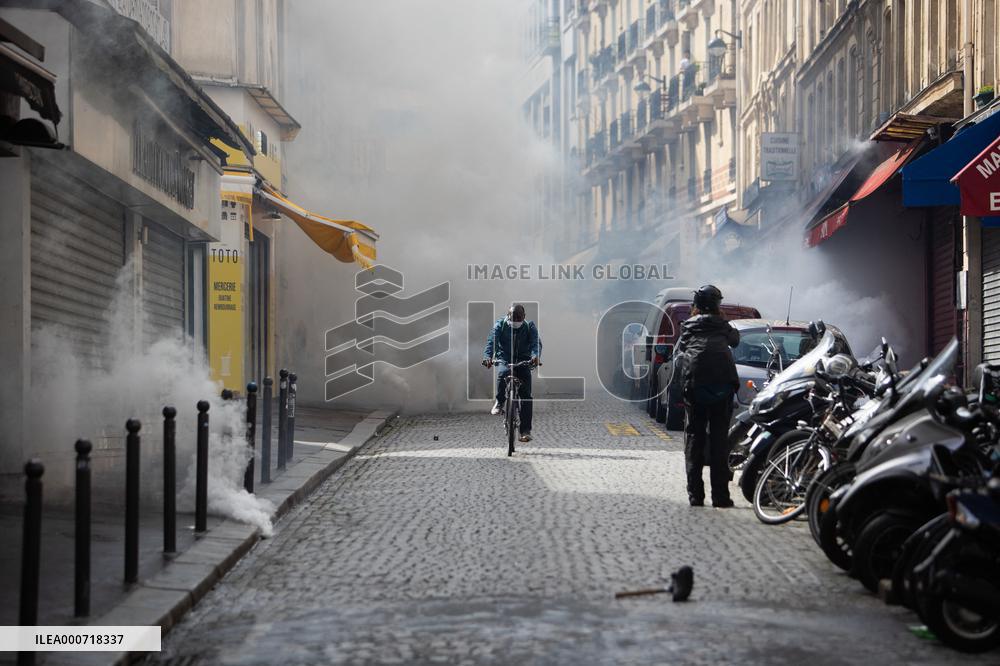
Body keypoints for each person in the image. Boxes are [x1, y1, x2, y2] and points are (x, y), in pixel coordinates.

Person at [672, 285, 740, 508]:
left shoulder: (688, 326)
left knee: (694, 439)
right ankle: (720, 497)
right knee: (720, 441)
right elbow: (736, 340)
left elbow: (682, 347)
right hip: (722, 388)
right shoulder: (722, 325)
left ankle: (696, 495)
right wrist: (723, 320)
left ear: (697, 306)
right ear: (718, 305)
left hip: (695, 386)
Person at [482, 304, 540, 442]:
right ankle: (500, 402)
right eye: (513, 318)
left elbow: (535, 343)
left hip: (524, 360)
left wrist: (535, 356)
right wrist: (487, 357)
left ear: (524, 317)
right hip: (504, 358)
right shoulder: (500, 325)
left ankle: (525, 431)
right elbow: (492, 342)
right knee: (503, 374)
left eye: (518, 319)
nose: (515, 321)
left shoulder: (529, 326)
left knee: (526, 396)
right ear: (508, 316)